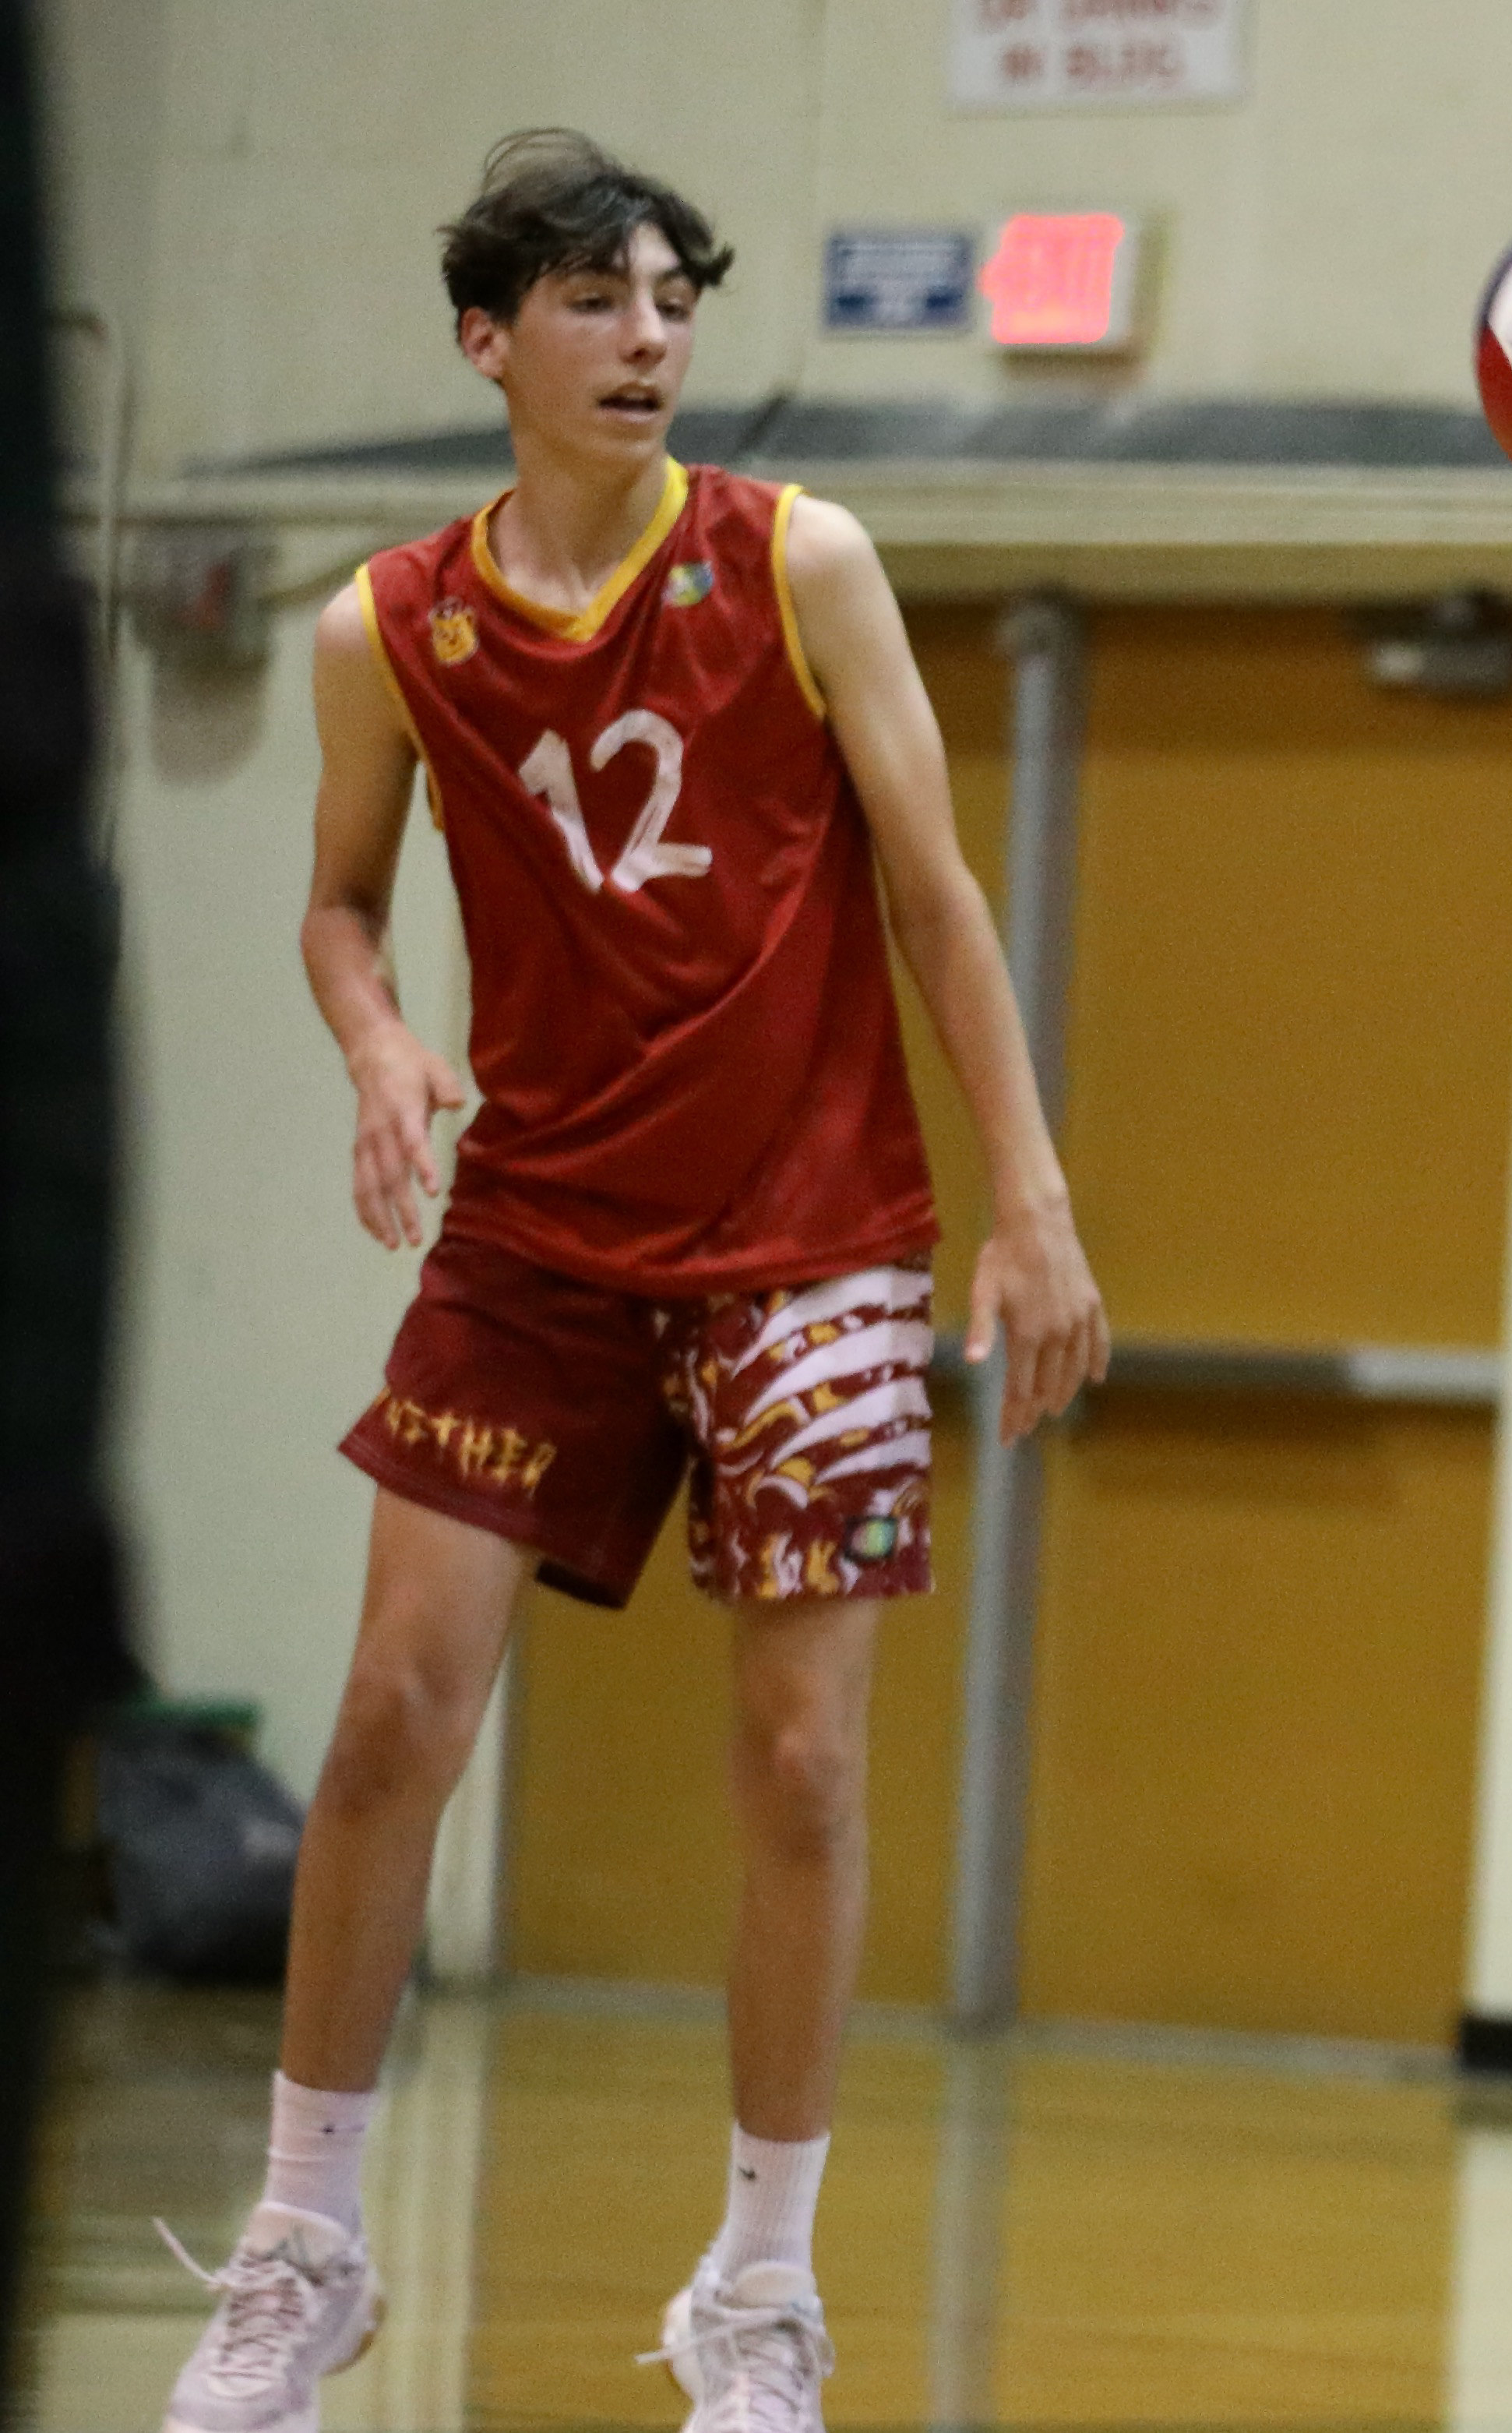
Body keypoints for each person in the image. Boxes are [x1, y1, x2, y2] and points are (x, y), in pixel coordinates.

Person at [160, 132, 1109, 2433]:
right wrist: (383, 1044)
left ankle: (762, 2300)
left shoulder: (802, 561)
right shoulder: (384, 626)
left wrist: (1034, 1201)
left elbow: (935, 898)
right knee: (393, 1712)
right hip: (536, 1241)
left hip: (805, 1241)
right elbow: (336, 903)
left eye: (674, 297)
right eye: (594, 299)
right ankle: (303, 2248)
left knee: (796, 1766)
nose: (648, 336)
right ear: (487, 339)